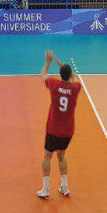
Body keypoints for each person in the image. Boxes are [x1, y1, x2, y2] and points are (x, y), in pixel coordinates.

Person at [37, 50, 81, 199]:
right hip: (67, 131)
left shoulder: (54, 84)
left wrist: (48, 63)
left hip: (53, 129)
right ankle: (64, 186)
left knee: (47, 156)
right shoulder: (75, 88)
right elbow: (75, 78)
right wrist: (64, 66)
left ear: (60, 75)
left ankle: (45, 189)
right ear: (69, 75)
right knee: (61, 156)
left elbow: (43, 75)